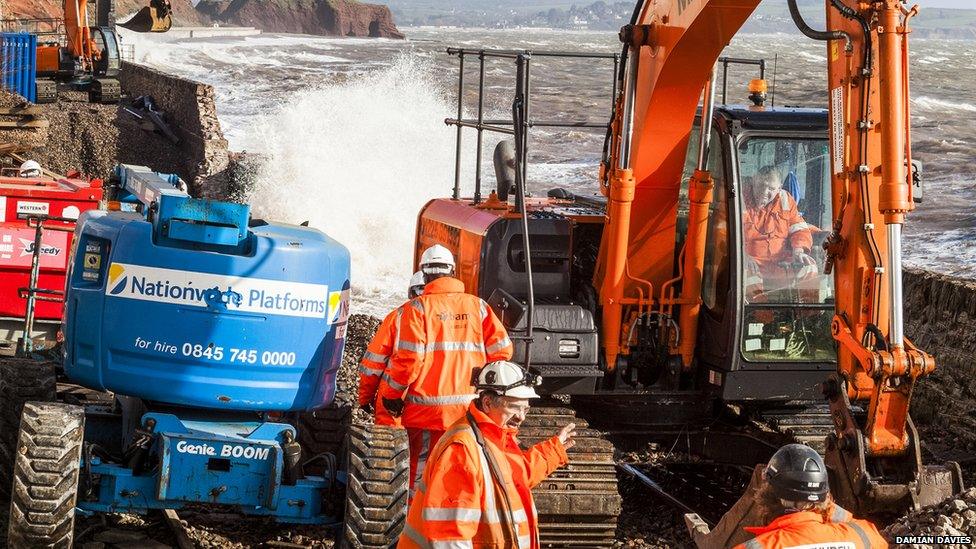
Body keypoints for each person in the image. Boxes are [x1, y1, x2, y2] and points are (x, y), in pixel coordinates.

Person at [379, 244, 514, 492]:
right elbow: (502, 352)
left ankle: (417, 522)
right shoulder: (478, 307)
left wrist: (392, 396)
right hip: (468, 409)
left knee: (419, 472)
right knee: (462, 467)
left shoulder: (416, 310)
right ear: (453, 271)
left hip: (424, 411)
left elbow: (409, 360)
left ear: (424, 273)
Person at [398, 360, 575, 549]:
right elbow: (450, 535)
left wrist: (553, 451)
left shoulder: (494, 437)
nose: (521, 417)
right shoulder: (462, 450)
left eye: (526, 409)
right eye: (514, 407)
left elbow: (510, 481)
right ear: (487, 402)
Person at [731, 444, 888, 549]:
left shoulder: (758, 547)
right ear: (825, 494)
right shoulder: (865, 536)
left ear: (772, 497)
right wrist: (823, 506)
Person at [357, 271, 426, 427]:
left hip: (394, 401)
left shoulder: (397, 317)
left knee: (391, 447)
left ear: (411, 291)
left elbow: (373, 364)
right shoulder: (457, 316)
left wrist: (364, 399)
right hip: (440, 402)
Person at [742, 165, 817, 297]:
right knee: (746, 277)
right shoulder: (739, 199)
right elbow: (724, 234)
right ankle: (760, 317)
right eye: (761, 185)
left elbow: (799, 229)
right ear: (754, 181)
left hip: (780, 262)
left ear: (779, 187)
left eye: (771, 188)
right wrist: (743, 256)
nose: (764, 192)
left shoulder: (786, 200)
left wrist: (799, 251)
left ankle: (808, 315)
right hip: (751, 262)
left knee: (809, 267)